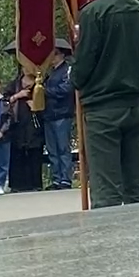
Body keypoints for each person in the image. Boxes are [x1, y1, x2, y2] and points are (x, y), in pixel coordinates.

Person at [71, 0, 139, 208]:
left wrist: (76, 66)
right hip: (133, 105)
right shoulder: (138, 10)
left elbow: (83, 67)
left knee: (106, 191)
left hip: (102, 110)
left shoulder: (93, 13)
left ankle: (109, 247)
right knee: (137, 188)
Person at [6, 58, 43, 193]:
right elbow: (5, 100)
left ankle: (35, 183)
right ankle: (17, 184)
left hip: (35, 121)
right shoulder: (15, 84)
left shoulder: (40, 82)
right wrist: (18, 95)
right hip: (18, 122)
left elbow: (47, 101)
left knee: (35, 150)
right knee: (17, 151)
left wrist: (36, 105)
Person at [42, 42, 76, 189]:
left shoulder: (67, 70)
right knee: (52, 149)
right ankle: (56, 178)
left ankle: (65, 179)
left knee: (63, 148)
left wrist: (46, 91)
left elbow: (66, 89)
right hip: (49, 114)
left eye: (54, 54)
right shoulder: (49, 72)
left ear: (61, 54)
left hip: (62, 113)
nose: (52, 57)